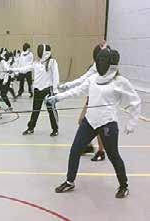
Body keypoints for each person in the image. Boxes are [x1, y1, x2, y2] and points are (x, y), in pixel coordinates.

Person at [48, 48, 141, 198]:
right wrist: (59, 97)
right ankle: (69, 181)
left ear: (110, 65)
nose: (100, 64)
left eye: (102, 61)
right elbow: (78, 90)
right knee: (75, 150)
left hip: (107, 123)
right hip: (90, 121)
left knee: (113, 155)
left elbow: (135, 101)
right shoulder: (93, 79)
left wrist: (132, 123)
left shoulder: (120, 82)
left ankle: (124, 185)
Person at [59, 42, 108, 161]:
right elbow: (83, 79)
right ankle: (89, 146)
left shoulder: (108, 67)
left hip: (99, 100)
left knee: (98, 126)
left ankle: (101, 151)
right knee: (82, 120)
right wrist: (67, 85)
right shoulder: (95, 66)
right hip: (91, 98)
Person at [11, 44, 59, 136]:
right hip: (37, 90)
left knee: (51, 110)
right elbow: (25, 69)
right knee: (35, 111)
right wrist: (13, 70)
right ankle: (31, 128)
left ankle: (55, 129)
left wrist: (55, 90)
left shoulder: (52, 62)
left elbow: (56, 76)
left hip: (47, 90)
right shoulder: (36, 62)